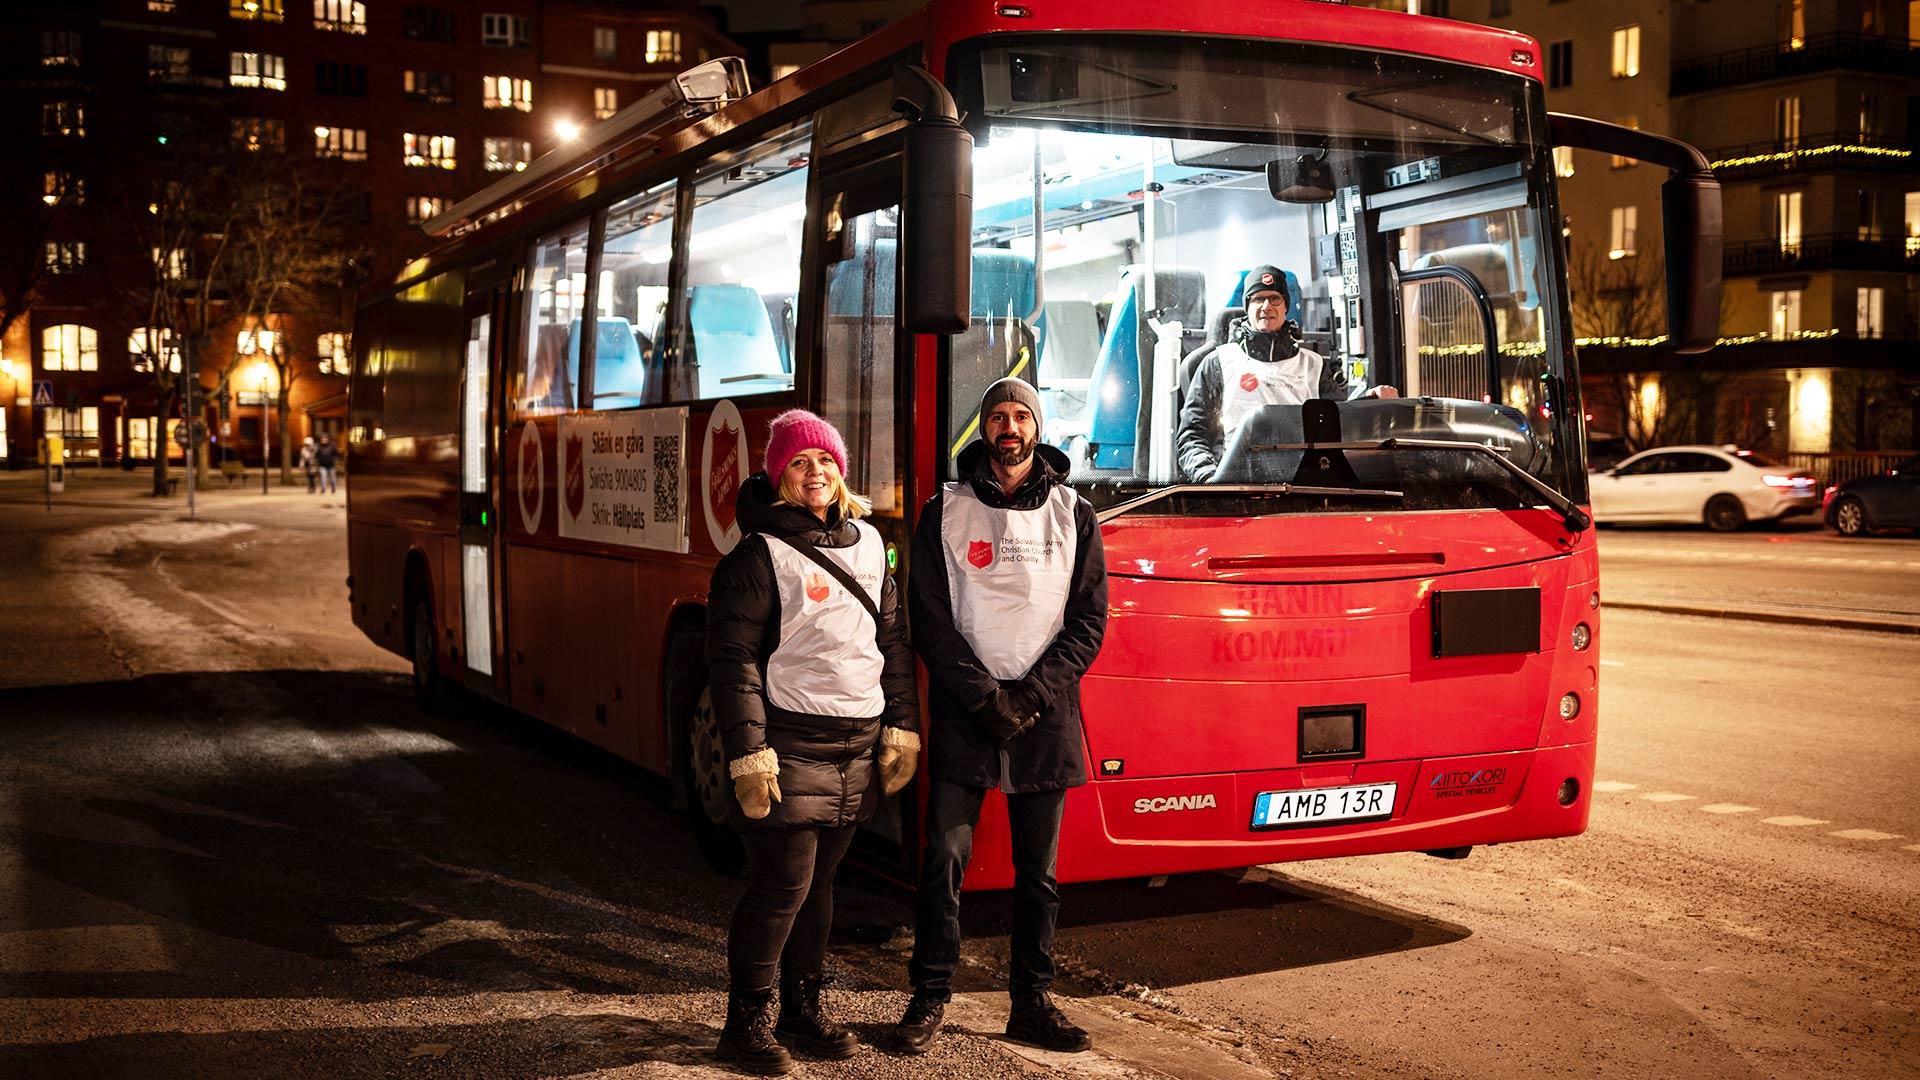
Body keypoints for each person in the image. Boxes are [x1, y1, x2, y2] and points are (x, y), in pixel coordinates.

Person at [893, 378, 1108, 1056]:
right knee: (943, 863)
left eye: (1020, 415)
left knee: (1038, 877)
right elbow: (927, 616)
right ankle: (928, 998)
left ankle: (1031, 1003)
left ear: (1037, 428)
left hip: (1043, 715)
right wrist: (986, 698)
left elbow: (1088, 622)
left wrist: (1032, 695)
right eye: (997, 417)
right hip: (967, 711)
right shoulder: (945, 511)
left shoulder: (1076, 514)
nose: (1008, 427)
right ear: (982, 430)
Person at [706, 409, 919, 1076]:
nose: (815, 472)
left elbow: (892, 644)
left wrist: (902, 726)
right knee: (781, 886)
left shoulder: (868, 541)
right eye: (799, 463)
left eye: (824, 460)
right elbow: (732, 659)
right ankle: (745, 1025)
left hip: (856, 743)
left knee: (821, 883)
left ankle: (802, 1010)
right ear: (779, 477)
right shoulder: (757, 554)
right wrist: (748, 750)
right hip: (790, 741)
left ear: (842, 469)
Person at [1176, 265, 1395, 482]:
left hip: (1303, 485)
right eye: (1257, 298)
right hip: (1237, 486)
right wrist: (1209, 480)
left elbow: (1340, 423)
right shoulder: (1218, 363)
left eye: (1274, 299)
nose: (1266, 306)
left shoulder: (1314, 365)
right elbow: (1191, 436)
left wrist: (1369, 402)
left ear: (1285, 307)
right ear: (1247, 306)